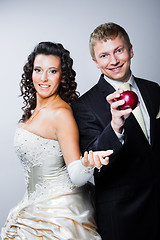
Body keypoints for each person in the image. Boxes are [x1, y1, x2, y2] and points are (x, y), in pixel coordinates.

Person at [1, 41, 113, 239]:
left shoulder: (61, 114)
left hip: (59, 216)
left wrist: (87, 163)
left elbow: (77, 176)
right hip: (32, 206)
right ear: (31, 72)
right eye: (38, 70)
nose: (44, 78)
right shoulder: (35, 111)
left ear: (62, 76)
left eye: (52, 71)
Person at [72, 22, 160, 240]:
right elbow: (91, 159)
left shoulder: (153, 89)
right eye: (104, 55)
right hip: (122, 217)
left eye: (118, 50)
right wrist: (115, 126)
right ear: (95, 62)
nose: (113, 61)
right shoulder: (84, 106)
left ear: (130, 50)